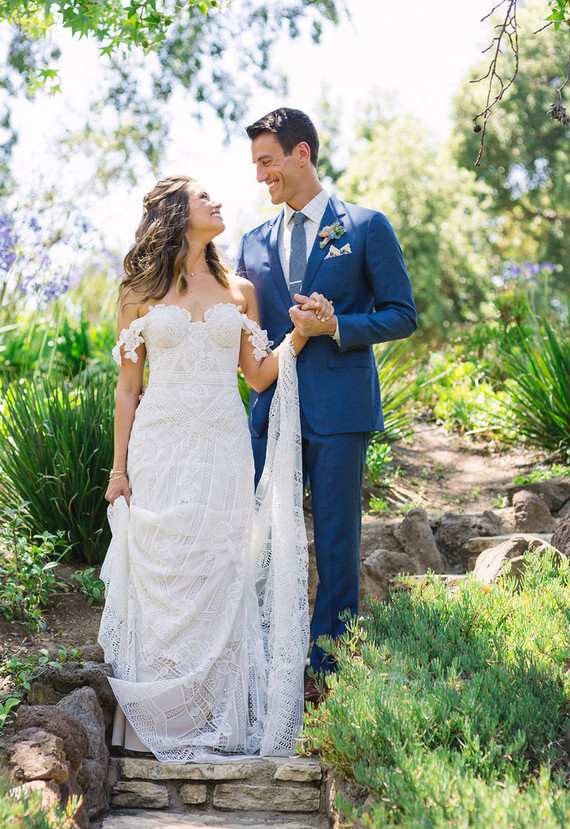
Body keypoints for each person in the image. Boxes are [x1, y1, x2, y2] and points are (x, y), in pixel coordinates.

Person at [98, 174, 333, 761]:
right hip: (161, 445)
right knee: (167, 570)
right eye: (205, 197)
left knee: (221, 566)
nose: (218, 202)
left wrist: (299, 337)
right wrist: (118, 469)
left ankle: (220, 724)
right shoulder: (138, 294)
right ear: (177, 213)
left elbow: (257, 376)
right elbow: (130, 389)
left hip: (224, 445)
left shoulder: (241, 291)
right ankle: (157, 722)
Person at [236, 108, 417, 699]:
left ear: (302, 154)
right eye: (256, 164)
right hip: (272, 411)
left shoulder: (365, 227)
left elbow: (402, 315)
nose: (261, 175)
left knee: (337, 544)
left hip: (340, 411)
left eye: (268, 161)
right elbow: (247, 333)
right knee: (262, 540)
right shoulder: (252, 243)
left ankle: (328, 677)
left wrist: (339, 325)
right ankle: (263, 670)